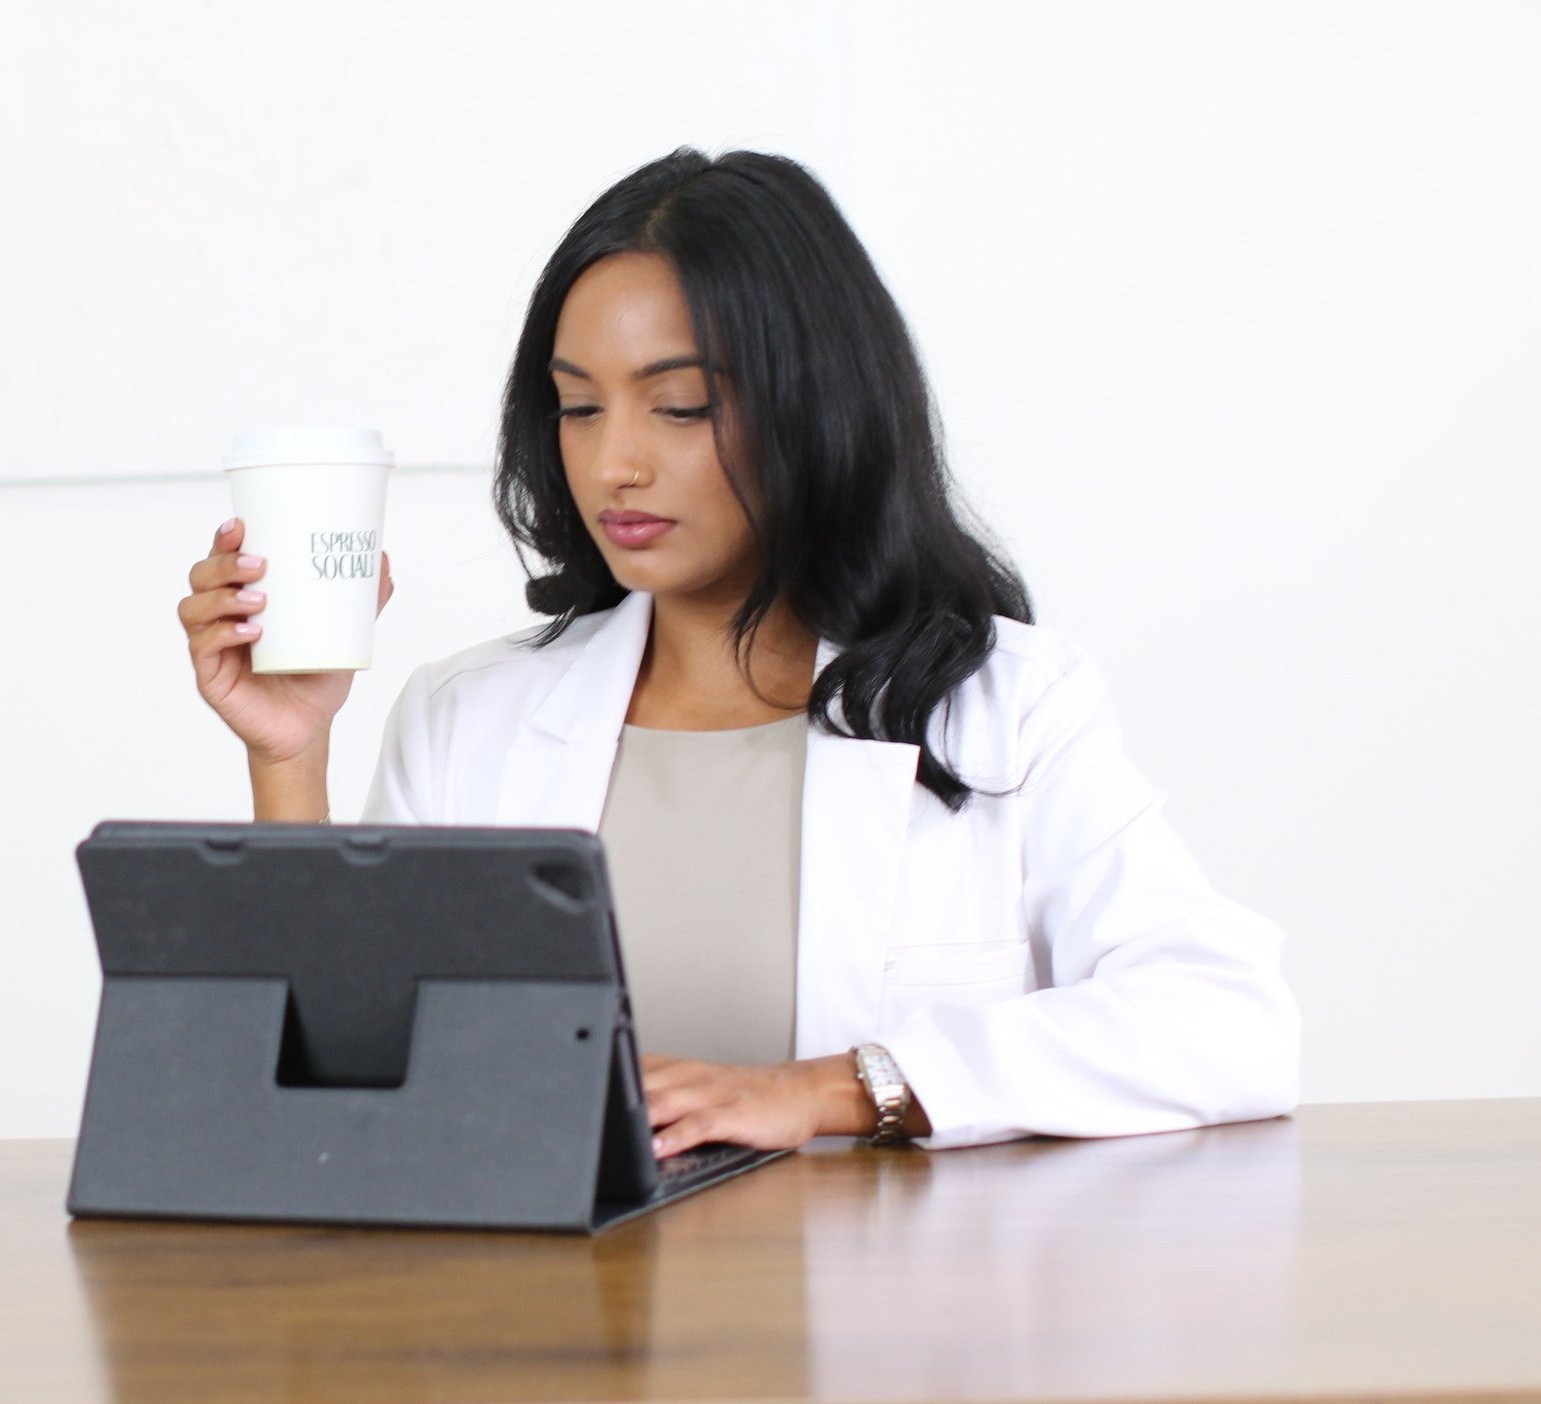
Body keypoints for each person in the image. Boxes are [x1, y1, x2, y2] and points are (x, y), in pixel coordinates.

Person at [173, 148, 1299, 1154]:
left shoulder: (1002, 703)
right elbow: (337, 1083)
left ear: (814, 409)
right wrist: (291, 755)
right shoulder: (471, 716)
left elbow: (1226, 1022)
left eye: (677, 408)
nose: (613, 464)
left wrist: (830, 1091)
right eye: (577, 409)